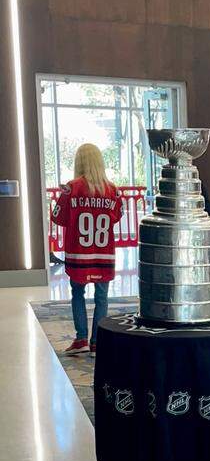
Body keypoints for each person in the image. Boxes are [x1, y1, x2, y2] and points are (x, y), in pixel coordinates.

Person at [53, 143, 123, 355]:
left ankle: (81, 338)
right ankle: (97, 341)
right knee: (102, 297)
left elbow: (58, 217)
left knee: (78, 292)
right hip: (103, 253)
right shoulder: (113, 190)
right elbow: (117, 217)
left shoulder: (71, 188)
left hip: (79, 253)